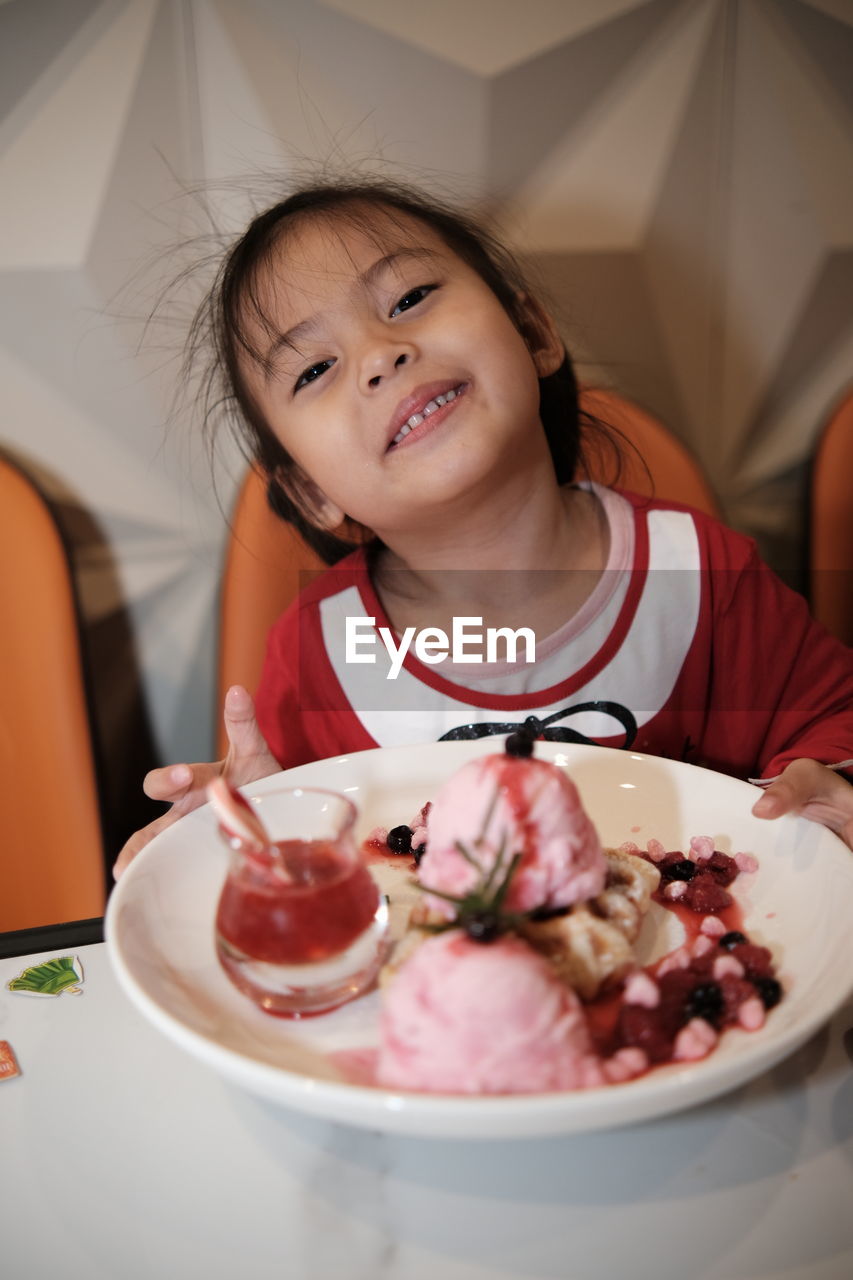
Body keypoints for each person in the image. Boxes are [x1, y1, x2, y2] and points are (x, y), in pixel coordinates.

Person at [114, 179, 853, 874]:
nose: (380, 355)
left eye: (409, 298)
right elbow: (294, 862)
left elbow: (832, 729)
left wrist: (825, 783)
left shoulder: (698, 574)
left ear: (531, 331)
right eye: (313, 370)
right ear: (311, 493)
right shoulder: (317, 654)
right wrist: (252, 829)